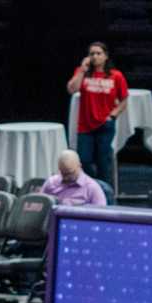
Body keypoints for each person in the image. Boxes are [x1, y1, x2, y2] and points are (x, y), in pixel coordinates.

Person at [65, 40, 129, 199]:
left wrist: (113, 115)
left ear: (106, 56)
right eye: (91, 53)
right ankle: (90, 191)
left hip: (105, 125)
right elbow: (72, 89)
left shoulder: (116, 75)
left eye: (98, 53)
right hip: (85, 126)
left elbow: (124, 100)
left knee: (103, 163)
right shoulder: (83, 73)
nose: (95, 56)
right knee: (84, 160)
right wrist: (81, 70)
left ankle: (105, 196)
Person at [40, 150, 107, 208]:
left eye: (69, 173)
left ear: (79, 166)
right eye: (63, 173)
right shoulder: (51, 182)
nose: (66, 177)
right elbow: (39, 206)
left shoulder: (92, 188)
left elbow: (101, 216)